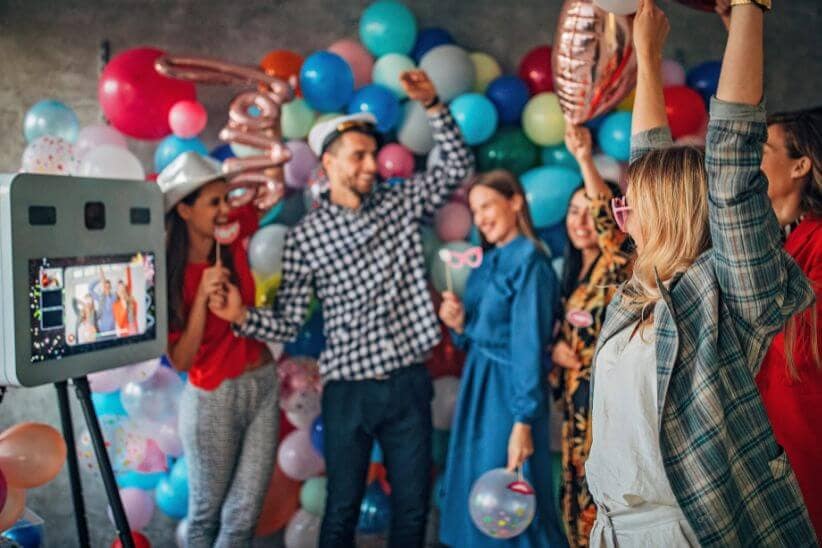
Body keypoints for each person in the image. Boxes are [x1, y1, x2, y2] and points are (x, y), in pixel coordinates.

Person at [584, 0, 817, 546]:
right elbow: (649, 162)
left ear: (666, 212)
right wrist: (647, 53)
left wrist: (748, 9)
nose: (623, 216)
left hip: (688, 532)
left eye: (628, 206)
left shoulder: (725, 291)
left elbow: (731, 161)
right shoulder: (640, 298)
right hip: (613, 531)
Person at [210, 70, 474, 547]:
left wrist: (433, 104)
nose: (372, 164)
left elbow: (456, 167)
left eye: (372, 154)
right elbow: (290, 320)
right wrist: (240, 317)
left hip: (407, 382)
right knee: (341, 510)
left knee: (413, 510)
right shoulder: (305, 238)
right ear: (328, 163)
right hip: (348, 392)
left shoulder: (400, 203)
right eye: (359, 156)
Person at [437, 169, 567, 548]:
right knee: (477, 498)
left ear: (514, 202)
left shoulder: (530, 261)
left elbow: (529, 345)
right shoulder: (488, 262)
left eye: (487, 206)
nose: (480, 218)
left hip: (509, 395)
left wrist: (523, 419)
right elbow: (477, 336)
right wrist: (459, 323)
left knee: (510, 504)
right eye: (475, 211)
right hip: (478, 389)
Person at [159, 151, 279, 548]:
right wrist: (200, 299)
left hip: (263, 384)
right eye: (214, 203)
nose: (226, 209)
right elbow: (181, 361)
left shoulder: (236, 230)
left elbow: (271, 184)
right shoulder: (166, 278)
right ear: (184, 211)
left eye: (226, 198)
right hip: (214, 398)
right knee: (206, 516)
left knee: (243, 517)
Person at [549, 126, 632, 547]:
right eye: (572, 211)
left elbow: (608, 223)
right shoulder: (571, 277)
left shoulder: (619, 263)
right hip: (575, 411)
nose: (581, 221)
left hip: (606, 408)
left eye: (590, 210)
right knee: (574, 498)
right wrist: (555, 353)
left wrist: (584, 158)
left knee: (600, 504)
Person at [756, 104, 822, 539]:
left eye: (762, 149)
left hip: (805, 428)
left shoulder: (818, 239)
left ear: (800, 165)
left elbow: (802, 343)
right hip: (766, 431)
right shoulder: (768, 238)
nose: (751, 161)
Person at [90, 268, 117, 336]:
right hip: (103, 329)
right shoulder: (100, 298)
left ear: (110, 287)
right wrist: (100, 279)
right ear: (103, 287)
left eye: (108, 287)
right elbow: (90, 289)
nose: (107, 288)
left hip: (113, 329)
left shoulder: (114, 297)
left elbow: (110, 306)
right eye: (105, 287)